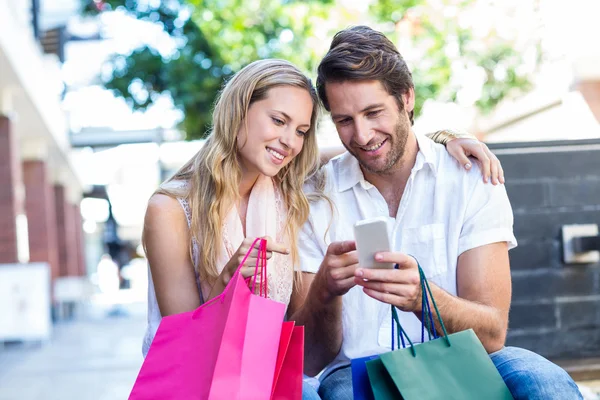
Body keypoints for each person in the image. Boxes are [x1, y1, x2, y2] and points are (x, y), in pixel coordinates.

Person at [141, 58, 505, 398]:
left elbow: (370, 147)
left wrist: (447, 139)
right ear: (238, 111)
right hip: (201, 384)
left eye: (301, 131)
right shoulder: (171, 209)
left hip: (264, 375)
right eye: (278, 121)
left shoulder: (290, 192)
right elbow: (185, 346)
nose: (289, 141)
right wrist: (226, 286)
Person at [288, 26, 582, 400]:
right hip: (356, 370)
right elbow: (311, 360)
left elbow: (492, 334)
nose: (361, 135)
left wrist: (422, 299)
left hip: (466, 359)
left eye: (373, 112)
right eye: (345, 120)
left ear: (406, 97)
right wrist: (324, 293)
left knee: (546, 384)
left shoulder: (469, 176)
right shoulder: (315, 198)